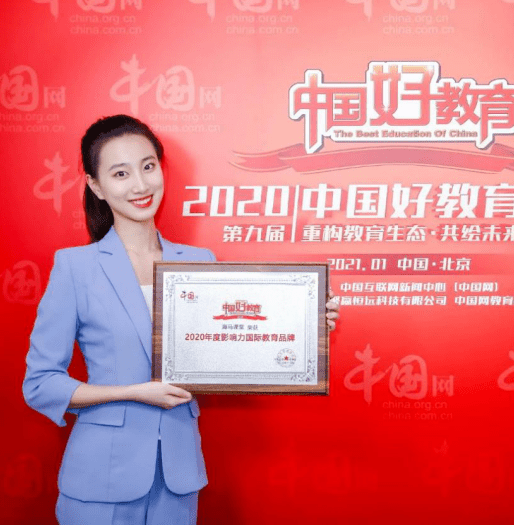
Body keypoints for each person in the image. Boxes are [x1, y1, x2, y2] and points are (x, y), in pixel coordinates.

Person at [23, 114, 340, 525]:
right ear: (96, 186)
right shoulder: (75, 267)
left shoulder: (198, 262)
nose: (140, 185)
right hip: (101, 477)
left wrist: (305, 326)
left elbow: (231, 349)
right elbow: (41, 383)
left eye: (148, 166)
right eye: (121, 173)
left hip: (177, 479)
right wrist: (134, 392)